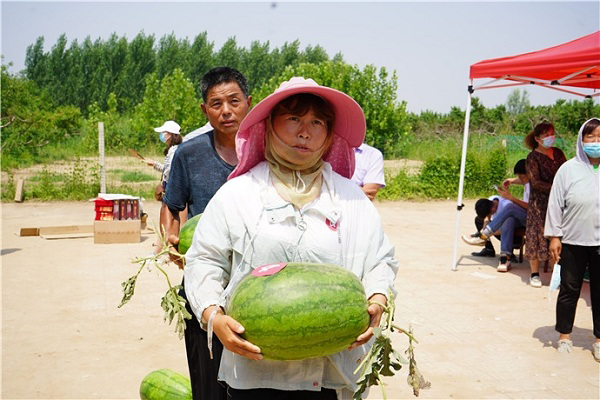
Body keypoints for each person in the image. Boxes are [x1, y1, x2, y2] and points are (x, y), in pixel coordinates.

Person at [184, 77, 398, 399]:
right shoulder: (238, 194)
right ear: (269, 125)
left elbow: (380, 258)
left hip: (332, 376)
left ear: (328, 136)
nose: (305, 132)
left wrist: (378, 297)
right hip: (257, 375)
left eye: (317, 122)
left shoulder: (350, 197)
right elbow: (204, 259)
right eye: (294, 119)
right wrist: (213, 316)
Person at [162, 67, 252, 400]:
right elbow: (172, 205)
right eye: (216, 104)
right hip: (205, 280)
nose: (226, 111)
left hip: (252, 282)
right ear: (204, 110)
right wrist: (171, 238)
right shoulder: (189, 153)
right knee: (208, 378)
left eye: (234, 101)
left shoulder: (267, 151)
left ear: (249, 103)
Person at [545, 117, 600, 361]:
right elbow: (555, 204)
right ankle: (565, 336)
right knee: (569, 289)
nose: (595, 142)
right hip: (572, 240)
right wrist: (555, 236)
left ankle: (599, 340)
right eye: (591, 137)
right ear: (581, 139)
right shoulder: (568, 169)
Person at [462, 159, 530, 272]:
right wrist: (511, 181)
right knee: (509, 220)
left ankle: (484, 236)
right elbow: (522, 180)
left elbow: (531, 208)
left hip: (533, 218)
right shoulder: (527, 182)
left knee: (510, 207)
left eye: (522, 177)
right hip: (522, 217)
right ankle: (505, 258)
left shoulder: (535, 186)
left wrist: (511, 198)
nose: (521, 180)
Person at [524, 122, 566, 287]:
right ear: (537, 139)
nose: (551, 137)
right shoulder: (532, 157)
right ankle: (535, 274)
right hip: (539, 204)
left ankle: (558, 274)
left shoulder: (558, 153)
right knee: (537, 235)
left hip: (559, 202)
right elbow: (535, 182)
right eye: (546, 135)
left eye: (552, 133)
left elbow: (566, 171)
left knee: (558, 236)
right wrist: (556, 188)